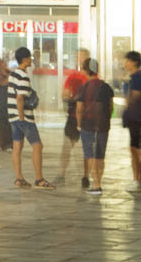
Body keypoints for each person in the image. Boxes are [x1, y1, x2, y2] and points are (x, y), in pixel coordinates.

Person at [7, 47, 52, 190]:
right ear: (25, 59)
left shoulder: (13, 75)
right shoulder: (23, 77)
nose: (31, 60)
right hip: (23, 117)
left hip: (12, 116)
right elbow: (20, 97)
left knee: (17, 147)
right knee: (37, 146)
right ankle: (39, 179)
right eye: (30, 57)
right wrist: (22, 116)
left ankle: (19, 178)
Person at [77, 59, 114, 196]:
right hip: (103, 126)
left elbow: (79, 109)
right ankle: (99, 183)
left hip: (88, 125)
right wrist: (106, 120)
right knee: (100, 155)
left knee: (90, 155)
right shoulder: (106, 87)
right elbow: (111, 107)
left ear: (86, 70)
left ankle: (96, 184)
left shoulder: (84, 87)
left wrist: (79, 125)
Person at [120, 52, 141, 192]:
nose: (125, 63)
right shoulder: (135, 77)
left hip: (136, 116)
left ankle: (139, 180)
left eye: (127, 60)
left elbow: (136, 96)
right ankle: (138, 180)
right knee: (134, 148)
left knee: (136, 149)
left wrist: (128, 102)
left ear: (133, 62)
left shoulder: (137, 78)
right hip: (135, 116)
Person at [62, 49, 90, 188]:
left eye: (82, 57)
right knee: (67, 146)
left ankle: (86, 176)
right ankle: (61, 173)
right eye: (78, 56)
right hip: (73, 116)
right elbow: (65, 94)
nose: (79, 59)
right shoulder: (73, 76)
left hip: (87, 117)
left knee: (86, 149)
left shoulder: (91, 78)